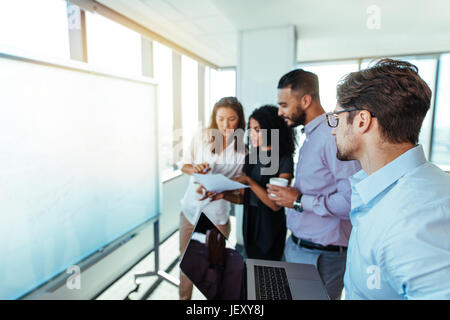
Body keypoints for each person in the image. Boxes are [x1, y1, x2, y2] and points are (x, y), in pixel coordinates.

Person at [329, 58, 450, 299]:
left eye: (337, 118)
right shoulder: (387, 191)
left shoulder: (414, 219)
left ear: (362, 121)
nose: (333, 129)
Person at [266, 69, 361, 300]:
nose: (280, 112)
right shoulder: (311, 136)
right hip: (299, 247)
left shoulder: (332, 136)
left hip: (321, 256)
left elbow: (351, 201)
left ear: (306, 100)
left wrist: (298, 201)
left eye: (284, 105)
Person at [178, 96, 246, 300]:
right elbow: (184, 165)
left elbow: (239, 190)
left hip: (216, 218)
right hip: (190, 212)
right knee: (186, 268)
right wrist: (196, 169)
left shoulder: (243, 151)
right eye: (221, 118)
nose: (225, 124)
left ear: (239, 120)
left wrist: (222, 187)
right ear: (214, 118)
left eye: (231, 119)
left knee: (215, 273)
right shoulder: (201, 137)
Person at [209, 105, 296, 260]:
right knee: (251, 269)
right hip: (249, 223)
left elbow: (275, 204)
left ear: (270, 129)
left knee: (268, 272)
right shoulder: (251, 156)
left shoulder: (284, 159)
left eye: (257, 129)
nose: (252, 134)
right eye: (250, 129)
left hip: (270, 228)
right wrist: (224, 195)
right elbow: (243, 198)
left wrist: (249, 181)